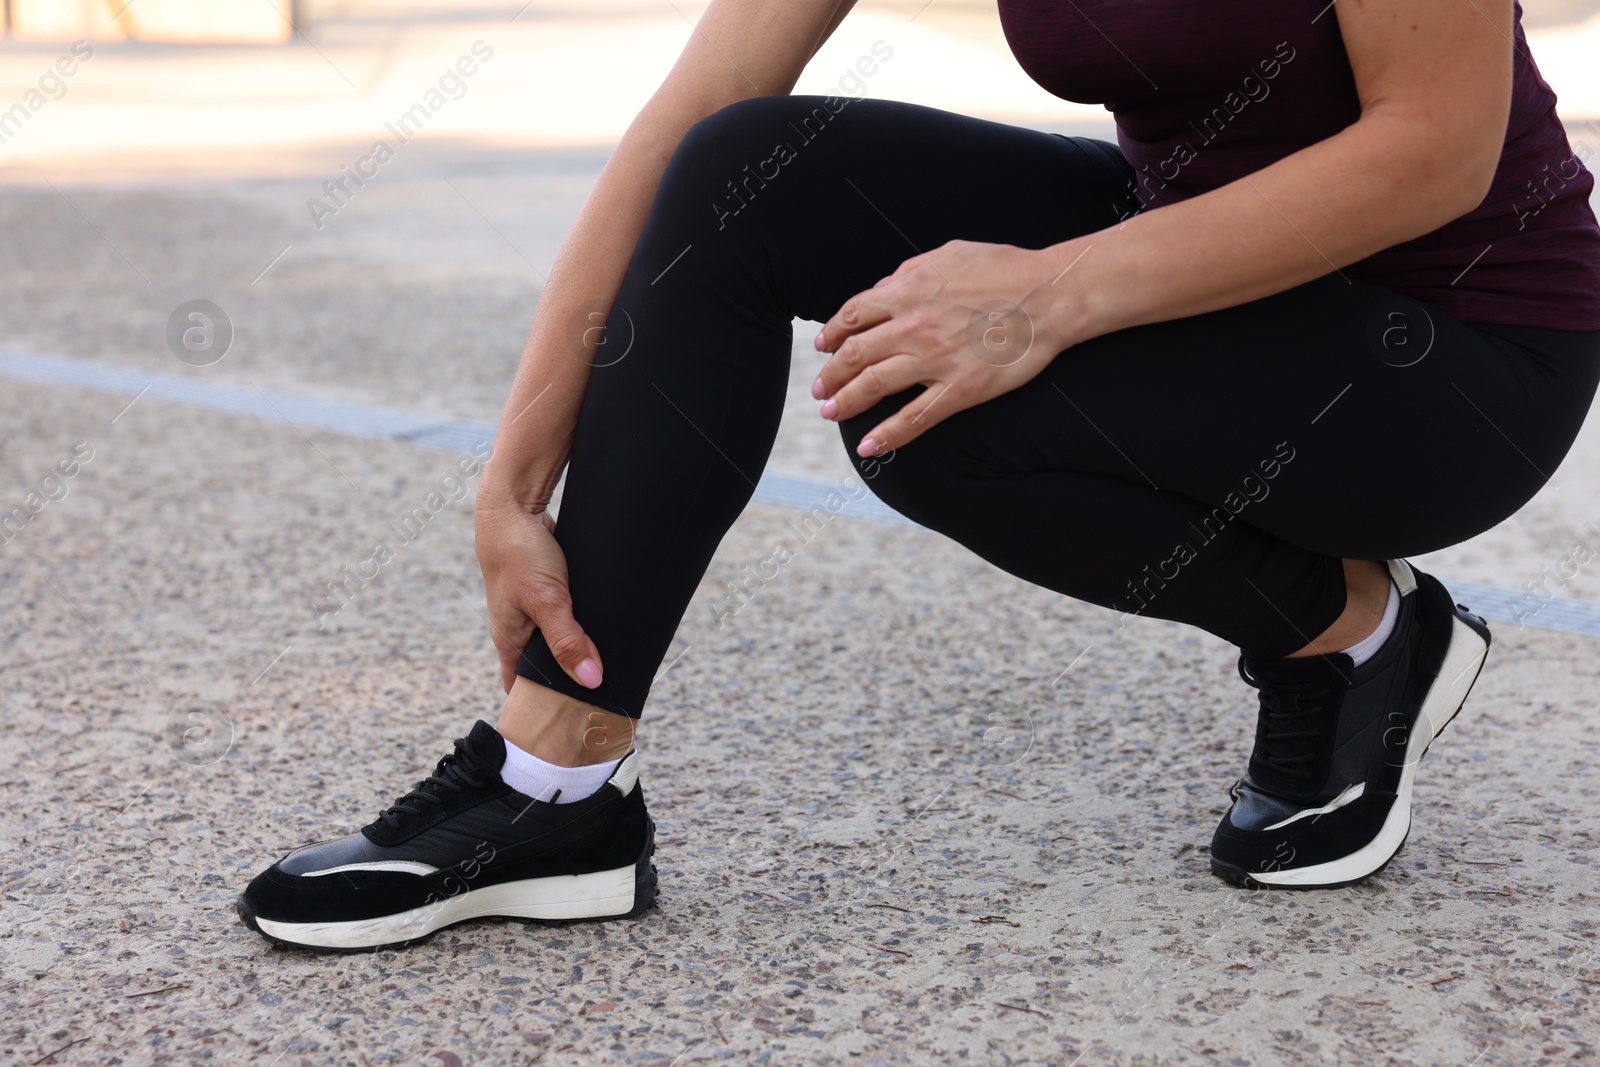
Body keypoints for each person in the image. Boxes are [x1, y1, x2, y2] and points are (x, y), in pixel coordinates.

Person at [238, 0, 1600, 951]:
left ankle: (1349, 629)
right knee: (742, 174)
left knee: (936, 408)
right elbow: (702, 107)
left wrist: (1050, 296)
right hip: (1192, 260)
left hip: (1455, 353)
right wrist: (515, 472)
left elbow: (1437, 143)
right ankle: (554, 785)